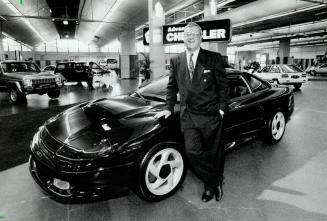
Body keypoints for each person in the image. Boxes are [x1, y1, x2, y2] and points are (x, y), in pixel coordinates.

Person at [155, 22, 229, 202]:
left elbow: (223, 86)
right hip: (188, 117)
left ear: (201, 37)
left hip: (210, 115)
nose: (190, 37)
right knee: (192, 152)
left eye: (194, 34)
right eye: (187, 34)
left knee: (214, 153)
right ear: (183, 38)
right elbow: (172, 87)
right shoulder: (176, 60)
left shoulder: (213, 58)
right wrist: (168, 107)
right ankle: (215, 180)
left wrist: (221, 109)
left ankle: (210, 187)